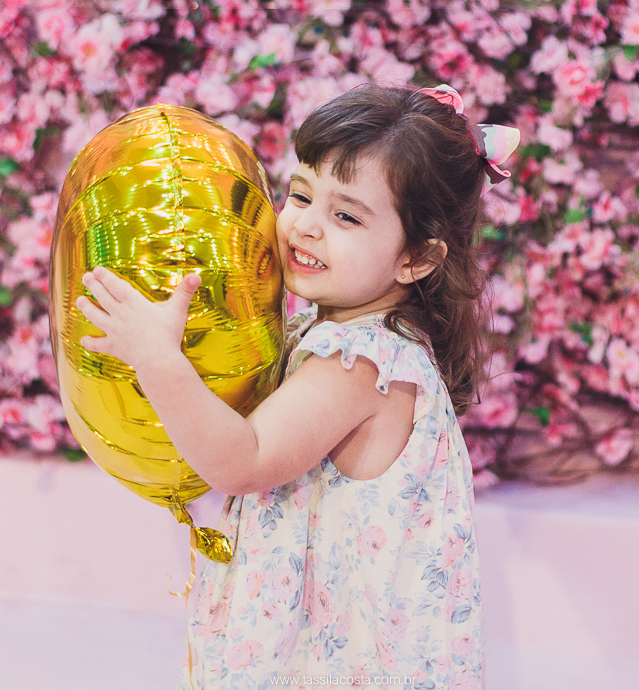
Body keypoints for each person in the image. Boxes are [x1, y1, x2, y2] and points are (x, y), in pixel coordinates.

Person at [76, 83, 519, 688]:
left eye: (345, 216)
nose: (305, 226)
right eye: (301, 194)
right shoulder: (336, 327)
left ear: (415, 258)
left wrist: (158, 361)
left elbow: (244, 461)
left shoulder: (360, 363)